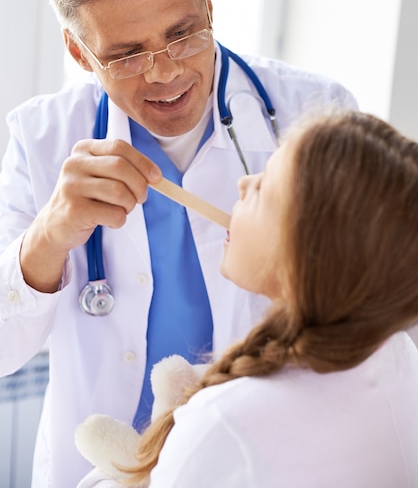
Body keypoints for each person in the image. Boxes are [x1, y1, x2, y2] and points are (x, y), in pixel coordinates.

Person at [0, 0, 356, 487]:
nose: (164, 73)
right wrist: (50, 234)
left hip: (265, 464)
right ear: (77, 52)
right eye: (127, 54)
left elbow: (379, 307)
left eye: (183, 34)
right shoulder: (42, 138)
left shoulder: (313, 115)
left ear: (209, 9)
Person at [79, 110, 418, 488]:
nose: (242, 184)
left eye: (262, 189)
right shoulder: (399, 357)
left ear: (306, 250)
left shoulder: (222, 426)